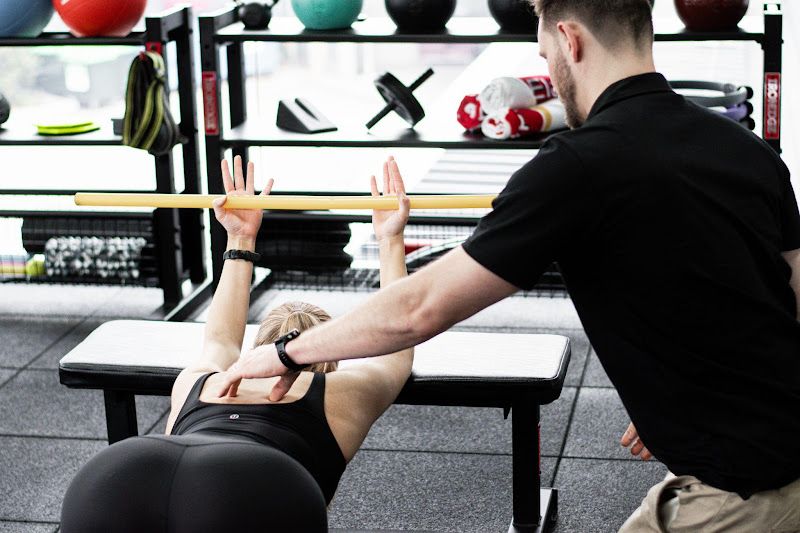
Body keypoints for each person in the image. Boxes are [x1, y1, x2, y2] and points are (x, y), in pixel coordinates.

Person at [216, 1, 800, 531]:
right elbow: (786, 298)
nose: (548, 66)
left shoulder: (578, 166)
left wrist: (286, 351)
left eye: (545, 52)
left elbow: (419, 308)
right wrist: (686, 400)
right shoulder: (747, 150)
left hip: (749, 488)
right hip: (754, 456)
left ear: (569, 41)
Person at [60, 155, 414, 532]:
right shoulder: (339, 393)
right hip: (253, 482)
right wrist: (390, 240)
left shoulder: (204, 381)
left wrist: (240, 237)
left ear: (257, 349)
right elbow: (397, 340)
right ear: (330, 362)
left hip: (121, 473)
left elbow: (219, 338)